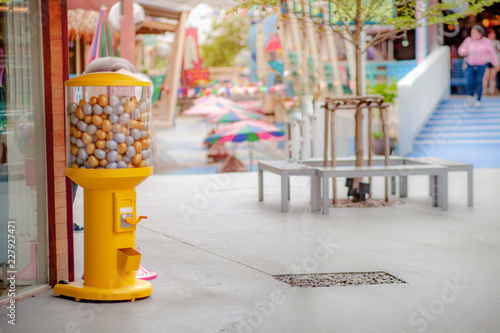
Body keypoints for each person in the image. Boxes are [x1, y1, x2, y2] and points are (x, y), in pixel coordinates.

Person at [458, 25, 499, 106]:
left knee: (480, 81)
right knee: (469, 81)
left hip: (481, 65)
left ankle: (479, 99)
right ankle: (471, 95)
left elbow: (492, 54)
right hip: (470, 64)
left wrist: (496, 64)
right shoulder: (469, 40)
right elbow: (461, 49)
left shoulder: (486, 42)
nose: (473, 34)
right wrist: (463, 51)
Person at [483, 28, 500, 95]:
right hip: (486, 61)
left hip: (495, 62)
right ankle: (484, 90)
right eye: (491, 34)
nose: (493, 35)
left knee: (493, 77)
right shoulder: (485, 42)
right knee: (486, 76)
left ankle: (491, 90)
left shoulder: (497, 42)